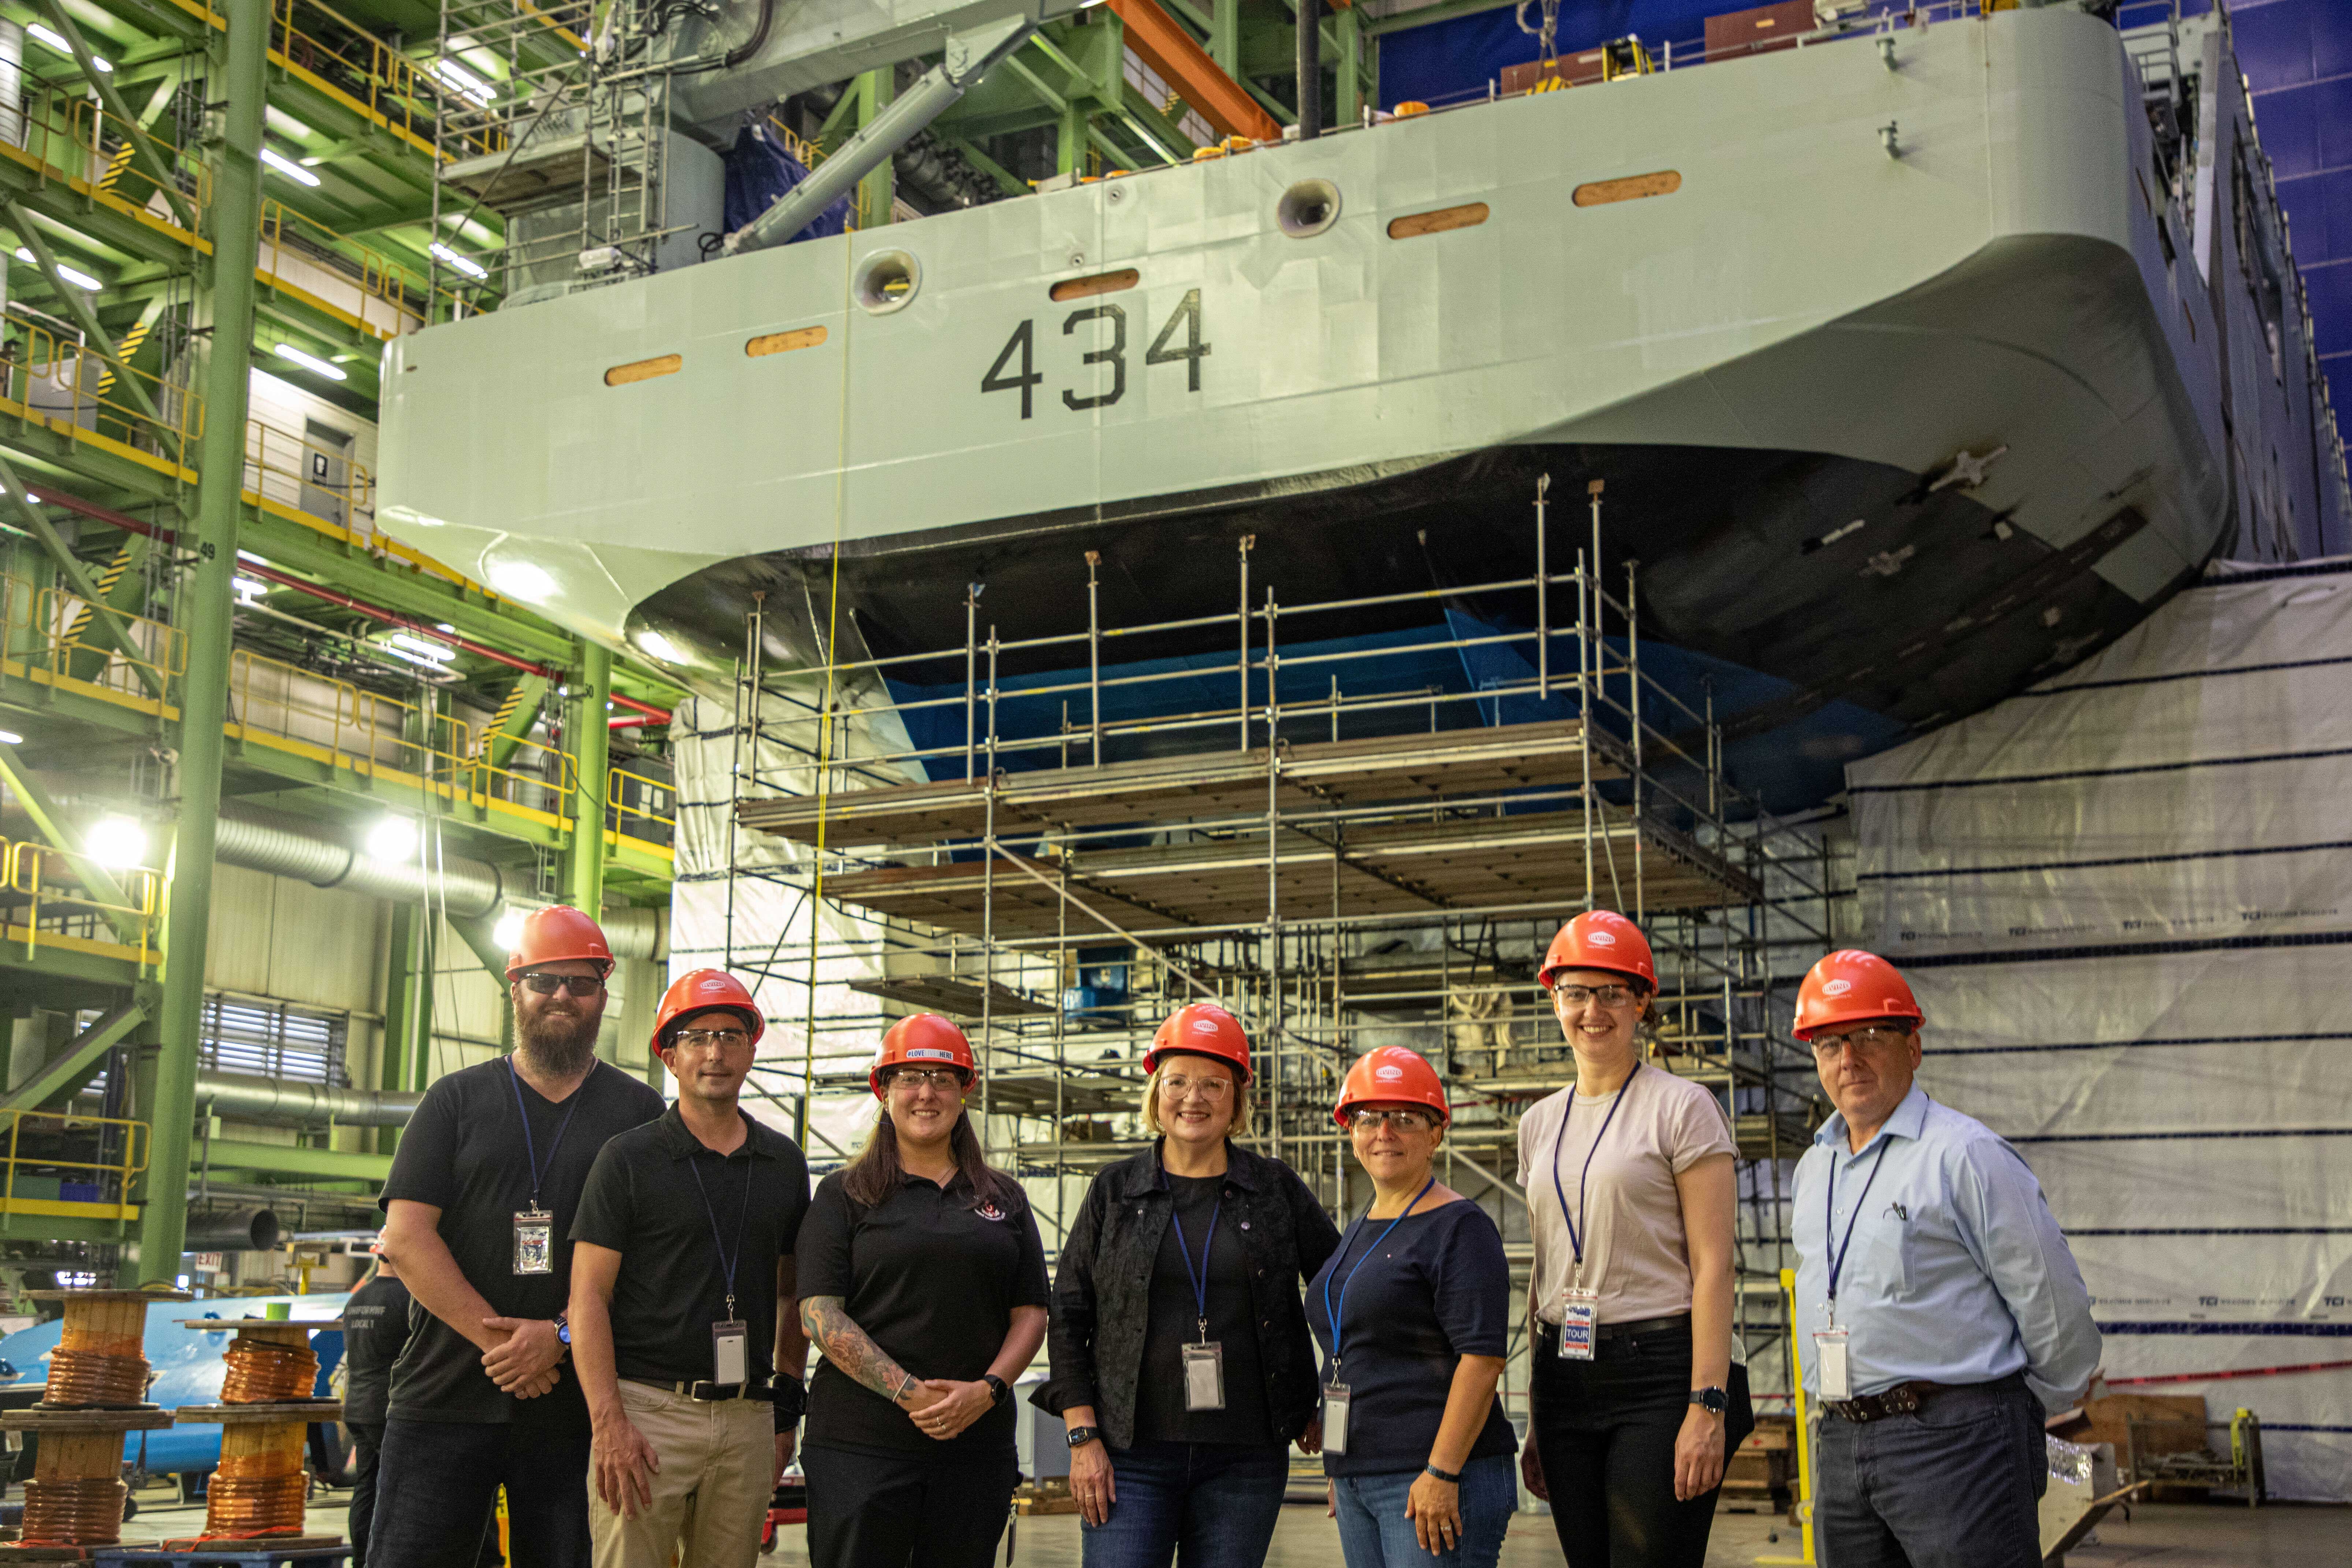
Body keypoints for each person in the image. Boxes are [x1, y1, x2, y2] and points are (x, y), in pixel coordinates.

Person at [373, 905, 666, 1568]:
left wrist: (559, 1335)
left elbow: (653, 1262)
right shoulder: (453, 1101)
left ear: (603, 996)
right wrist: (500, 1340)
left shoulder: (640, 1116)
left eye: (580, 982)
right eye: (544, 979)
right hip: (443, 1398)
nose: (562, 995)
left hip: (578, 1414)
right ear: (515, 988)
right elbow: (407, 1237)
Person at [1789, 950, 2101, 1568]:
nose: (1847, 1059)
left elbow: (2049, 1295)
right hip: (1842, 1439)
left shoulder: (1964, 1155)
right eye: (1828, 1043)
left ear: (1912, 1046)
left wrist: (2011, 1404)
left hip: (1957, 1443)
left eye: (1868, 1036)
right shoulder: (1813, 1168)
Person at [1036, 1002, 1343, 1567]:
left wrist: (1329, 1396)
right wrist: (1082, 1437)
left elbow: (1343, 1293)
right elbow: (1070, 1312)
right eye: (1176, 1081)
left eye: (1212, 1084)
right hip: (1128, 1454)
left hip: (1246, 1454)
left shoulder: (1273, 1189)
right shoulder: (1115, 1189)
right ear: (1156, 1093)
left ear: (1236, 1100)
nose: (1193, 1098)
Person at [1518, 911, 1751, 1567]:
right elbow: (1545, 1268)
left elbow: (1712, 1266)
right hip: (1564, 1373)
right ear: (1554, 998)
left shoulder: (1681, 1106)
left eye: (1612, 992)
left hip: (1660, 1373)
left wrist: (1707, 1405)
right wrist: (1536, 1413)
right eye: (1576, 992)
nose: (1592, 1010)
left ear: (1642, 1001)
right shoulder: (1537, 1123)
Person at [569, 969, 813, 1568]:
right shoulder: (627, 1160)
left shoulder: (782, 1163)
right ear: (669, 1056)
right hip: (648, 1414)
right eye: (697, 1037)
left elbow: (791, 1296)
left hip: (747, 1415)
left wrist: (783, 1405)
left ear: (751, 1050)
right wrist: (609, 1424)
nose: (715, 1052)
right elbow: (587, 1300)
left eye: (730, 1036)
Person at [794, 1014, 1050, 1568]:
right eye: (910, 1077)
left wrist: (986, 1390)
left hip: (974, 1447)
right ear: (883, 1090)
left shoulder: (1003, 1197)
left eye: (942, 1077)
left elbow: (1030, 1310)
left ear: (964, 1092)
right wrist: (911, 1393)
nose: (926, 1093)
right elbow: (818, 1314)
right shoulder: (844, 1193)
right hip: (860, 1448)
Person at [1308, 1047, 1516, 1568]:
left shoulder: (1459, 1227)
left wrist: (1442, 1473)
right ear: (1349, 1130)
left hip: (1432, 1476)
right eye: (1368, 1118)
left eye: (1404, 1118)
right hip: (1361, 1473)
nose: (1384, 1132)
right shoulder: (1359, 1226)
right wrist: (1343, 1466)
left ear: (1435, 1133)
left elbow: (1482, 1359)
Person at [339, 1244, 410, 1568]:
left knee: (367, 1487)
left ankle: (362, 1561)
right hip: (390, 1408)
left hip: (357, 1406)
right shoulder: (409, 1299)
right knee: (401, 1491)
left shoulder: (357, 1299)